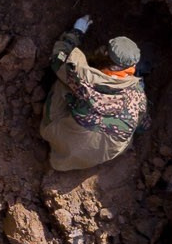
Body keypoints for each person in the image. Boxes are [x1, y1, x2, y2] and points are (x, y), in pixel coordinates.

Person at [40, 15, 150, 172]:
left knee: (62, 82)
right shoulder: (138, 95)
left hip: (63, 142)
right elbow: (143, 125)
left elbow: (58, 57)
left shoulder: (82, 79)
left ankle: (51, 126)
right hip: (99, 154)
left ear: (107, 57)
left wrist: (77, 31)